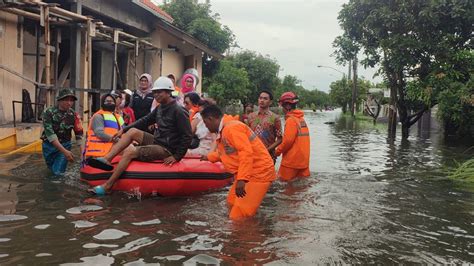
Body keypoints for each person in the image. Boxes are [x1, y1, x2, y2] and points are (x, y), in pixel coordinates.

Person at [87, 77, 192, 195]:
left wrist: (177, 156)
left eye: (159, 92)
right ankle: (107, 159)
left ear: (168, 92)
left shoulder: (179, 111)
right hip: (158, 141)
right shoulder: (160, 108)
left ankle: (107, 185)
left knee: (130, 151)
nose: (156, 95)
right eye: (154, 92)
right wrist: (124, 129)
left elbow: (187, 136)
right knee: (132, 131)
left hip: (167, 149)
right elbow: (145, 120)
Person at [200, 105, 276, 220]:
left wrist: (242, 179)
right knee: (231, 203)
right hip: (249, 172)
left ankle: (245, 234)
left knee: (239, 217)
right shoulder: (225, 129)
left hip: (258, 173)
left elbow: (246, 152)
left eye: (205, 123)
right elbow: (228, 153)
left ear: (211, 119)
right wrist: (209, 157)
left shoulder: (231, 128)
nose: (206, 127)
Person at [41, 88, 83, 175]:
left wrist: (82, 153)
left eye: (71, 100)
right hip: (49, 146)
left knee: (57, 173)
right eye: (66, 100)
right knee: (51, 169)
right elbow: (50, 135)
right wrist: (65, 152)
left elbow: (79, 134)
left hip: (65, 145)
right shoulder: (48, 112)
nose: (69, 103)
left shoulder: (74, 115)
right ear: (59, 100)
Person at [275, 92, 310, 182]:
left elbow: (287, 141)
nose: (281, 109)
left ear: (287, 106)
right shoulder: (301, 119)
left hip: (291, 163)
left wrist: (277, 152)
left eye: (282, 106)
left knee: (284, 189)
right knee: (301, 190)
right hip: (303, 162)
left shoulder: (291, 120)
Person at [83, 94, 124, 159]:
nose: (109, 102)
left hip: (114, 148)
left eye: (111, 101)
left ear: (115, 103)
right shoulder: (98, 116)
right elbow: (99, 133)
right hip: (99, 152)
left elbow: (124, 132)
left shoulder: (119, 117)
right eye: (107, 101)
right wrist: (118, 140)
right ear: (102, 103)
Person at [247, 90, 282, 162]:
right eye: (260, 98)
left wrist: (266, 150)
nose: (262, 100)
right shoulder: (251, 116)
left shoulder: (275, 118)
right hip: (252, 155)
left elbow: (280, 139)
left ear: (270, 102)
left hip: (268, 156)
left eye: (265, 99)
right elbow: (246, 135)